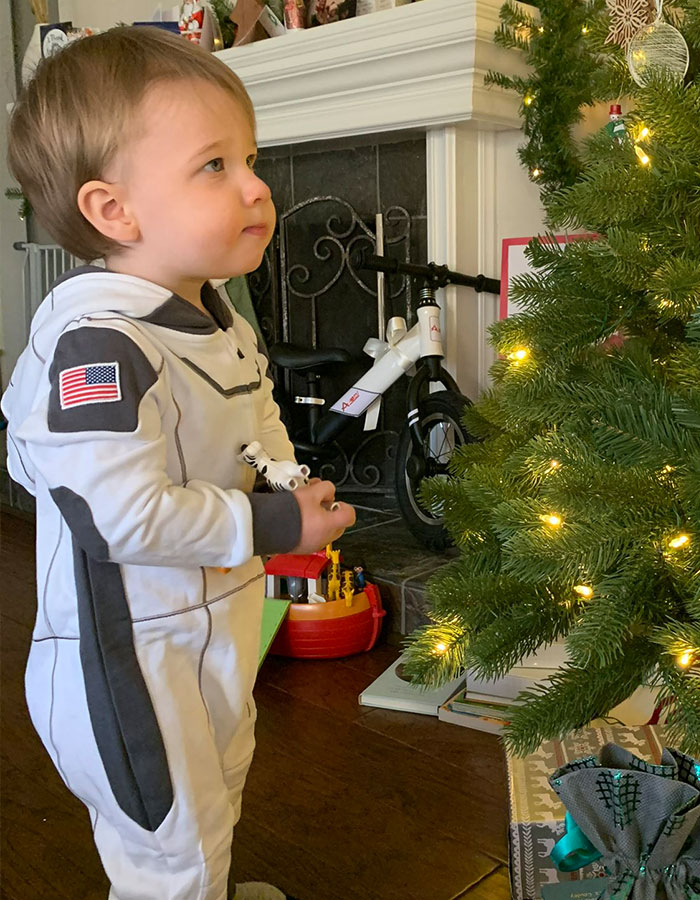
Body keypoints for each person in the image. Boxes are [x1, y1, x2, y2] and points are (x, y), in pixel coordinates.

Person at [2, 26, 355, 900]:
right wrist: (277, 524)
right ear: (114, 211)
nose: (255, 186)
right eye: (215, 166)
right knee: (172, 848)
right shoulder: (103, 345)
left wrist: (283, 477)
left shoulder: (211, 312)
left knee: (217, 796)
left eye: (250, 157)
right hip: (132, 664)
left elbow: (253, 407)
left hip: (213, 628)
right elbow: (118, 513)